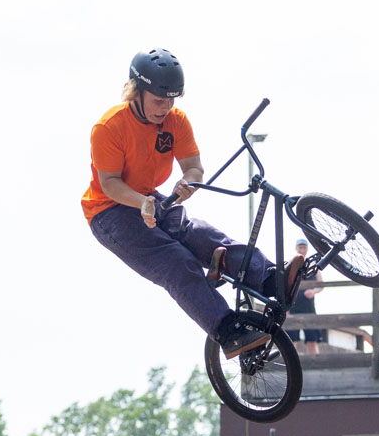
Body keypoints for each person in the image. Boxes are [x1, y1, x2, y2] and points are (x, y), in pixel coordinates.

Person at [82, 48, 305, 359]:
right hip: (110, 211)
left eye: (172, 100)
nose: (166, 108)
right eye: (159, 101)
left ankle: (270, 278)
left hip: (151, 198)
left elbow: (194, 167)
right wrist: (141, 203)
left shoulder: (175, 121)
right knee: (176, 261)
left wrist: (188, 181)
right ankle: (228, 331)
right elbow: (110, 183)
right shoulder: (109, 127)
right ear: (135, 92)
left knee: (202, 235)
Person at [286, 238, 324, 354]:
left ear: (307, 249)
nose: (302, 249)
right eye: (300, 247)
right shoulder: (290, 264)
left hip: (308, 307)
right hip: (293, 305)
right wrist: (286, 309)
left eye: (304, 247)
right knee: (291, 340)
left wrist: (313, 291)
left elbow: (321, 285)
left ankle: (315, 365)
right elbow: (285, 286)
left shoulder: (313, 266)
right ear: (296, 248)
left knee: (312, 338)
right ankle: (292, 367)